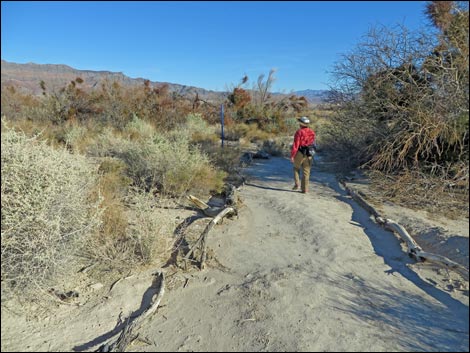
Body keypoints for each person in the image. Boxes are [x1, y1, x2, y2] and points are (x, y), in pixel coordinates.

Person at [290, 116, 316, 193]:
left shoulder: (299, 132)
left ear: (301, 123)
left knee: (296, 168)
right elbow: (314, 144)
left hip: (300, 152)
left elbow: (296, 145)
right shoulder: (312, 132)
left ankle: (297, 184)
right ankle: (305, 189)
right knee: (306, 172)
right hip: (309, 153)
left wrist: (292, 155)